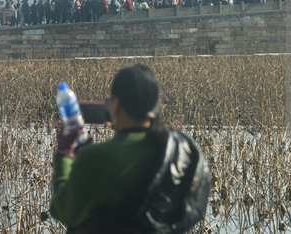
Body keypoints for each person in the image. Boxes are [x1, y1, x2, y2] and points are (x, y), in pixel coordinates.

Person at [50, 64, 210, 233]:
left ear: (117, 106)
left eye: (109, 98)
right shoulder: (182, 148)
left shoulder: (94, 158)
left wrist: (65, 154)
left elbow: (63, 211)